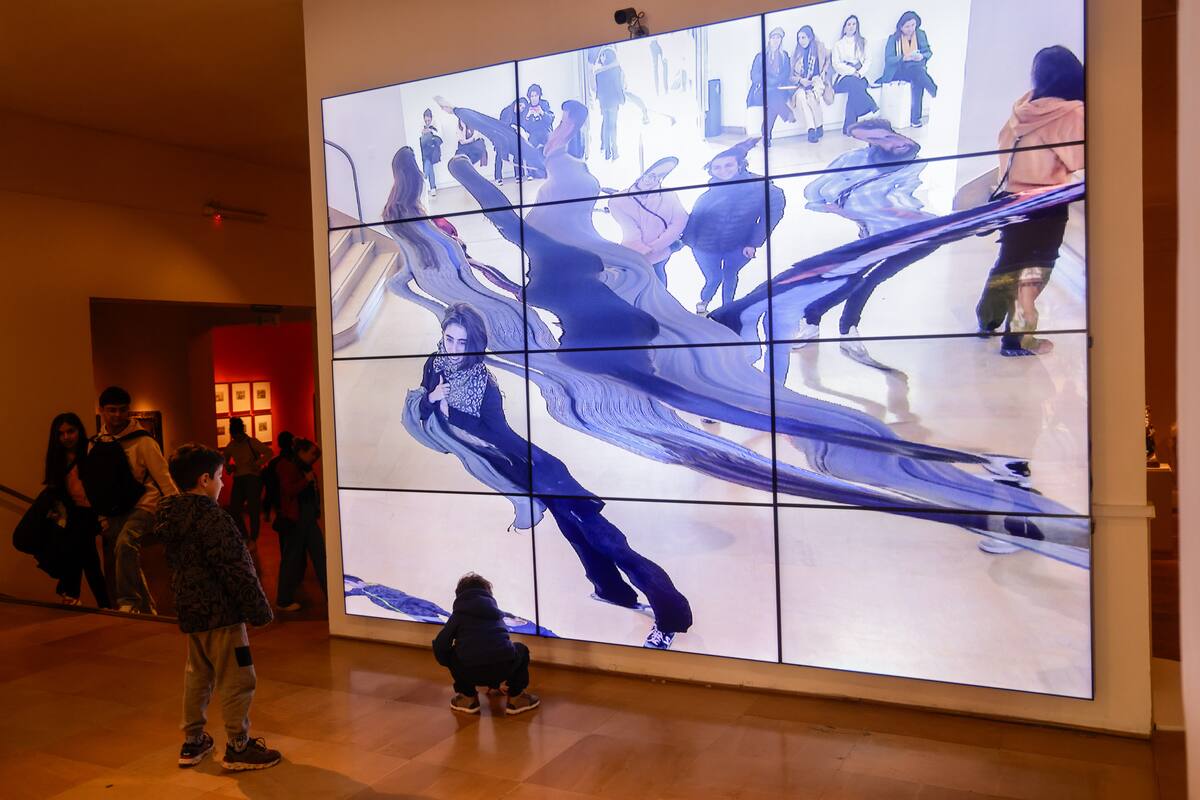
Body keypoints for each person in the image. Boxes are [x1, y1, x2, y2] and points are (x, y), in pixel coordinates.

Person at [409, 304, 692, 649]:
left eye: (462, 343)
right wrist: (434, 401)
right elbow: (424, 403)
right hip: (514, 472)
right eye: (449, 339)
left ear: (475, 345)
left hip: (535, 467)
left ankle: (671, 616)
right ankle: (612, 592)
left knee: (608, 541)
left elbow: (498, 436)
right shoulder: (435, 364)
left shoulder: (483, 384)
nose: (453, 348)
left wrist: (446, 408)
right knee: (574, 533)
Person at [155, 443, 280, 771]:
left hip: (192, 612)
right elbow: (236, 568)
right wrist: (259, 610)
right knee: (238, 677)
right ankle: (238, 745)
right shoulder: (213, 518)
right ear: (204, 479)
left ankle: (193, 740)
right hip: (222, 614)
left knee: (197, 674)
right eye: (221, 477)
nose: (224, 484)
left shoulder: (172, 516)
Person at [784, 118, 937, 373]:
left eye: (882, 137)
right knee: (856, 278)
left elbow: (919, 202)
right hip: (876, 236)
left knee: (868, 279)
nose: (880, 144)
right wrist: (840, 210)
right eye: (870, 141)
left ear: (893, 131)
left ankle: (834, 325)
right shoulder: (854, 160)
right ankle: (829, 325)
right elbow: (813, 193)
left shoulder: (921, 165)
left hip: (921, 236)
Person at [976, 45, 1085, 358]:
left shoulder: (1023, 106)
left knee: (1008, 263)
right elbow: (1078, 159)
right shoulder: (1071, 113)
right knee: (1035, 270)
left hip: (1012, 199)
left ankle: (988, 320)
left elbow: (1002, 146)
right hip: (1046, 203)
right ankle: (1018, 340)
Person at [82, 385, 178, 614]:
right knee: (125, 557)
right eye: (111, 410)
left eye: (122, 410)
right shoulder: (95, 443)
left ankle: (128, 601)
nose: (117, 415)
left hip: (145, 504)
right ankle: (147, 608)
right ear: (102, 411)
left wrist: (179, 509)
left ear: (129, 411)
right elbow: (95, 484)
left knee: (126, 544)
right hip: (116, 508)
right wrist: (102, 515)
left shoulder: (144, 442)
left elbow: (164, 479)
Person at [683, 138, 786, 314]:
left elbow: (770, 217)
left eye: (728, 165)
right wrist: (685, 242)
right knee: (713, 277)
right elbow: (694, 220)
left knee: (730, 275)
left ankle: (727, 308)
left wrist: (753, 243)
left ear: (740, 165)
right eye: (717, 167)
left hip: (739, 245)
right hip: (704, 246)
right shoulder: (708, 193)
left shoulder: (763, 189)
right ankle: (705, 299)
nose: (723, 171)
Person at [432, 572, 540, 715]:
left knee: (453, 654)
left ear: (460, 596)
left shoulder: (458, 616)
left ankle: (468, 697)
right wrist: (494, 680)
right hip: (503, 668)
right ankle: (516, 697)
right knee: (520, 649)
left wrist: (449, 663)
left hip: (468, 671)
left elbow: (440, 645)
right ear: (488, 594)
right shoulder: (496, 614)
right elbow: (493, 647)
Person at [42, 413, 110, 607]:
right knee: (86, 556)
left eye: (70, 431)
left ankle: (70, 593)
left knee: (83, 553)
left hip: (91, 512)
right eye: (61, 433)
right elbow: (56, 489)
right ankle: (99, 602)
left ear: (79, 430)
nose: (66, 437)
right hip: (73, 514)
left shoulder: (90, 451)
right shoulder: (57, 458)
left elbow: (101, 485)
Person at [607, 157, 688, 287]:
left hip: (661, 252)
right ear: (642, 174)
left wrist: (656, 247)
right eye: (651, 175)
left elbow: (679, 221)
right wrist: (645, 252)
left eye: (660, 176)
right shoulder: (618, 201)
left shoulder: (669, 195)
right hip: (636, 255)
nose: (653, 180)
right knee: (636, 287)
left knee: (660, 285)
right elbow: (632, 232)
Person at [274, 438, 328, 612]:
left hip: (306, 517)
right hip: (296, 518)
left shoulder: (301, 466)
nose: (316, 458)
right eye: (313, 454)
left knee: (318, 557)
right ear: (301, 452)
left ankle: (332, 596)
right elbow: (288, 490)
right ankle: (283, 600)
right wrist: (306, 481)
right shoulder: (288, 466)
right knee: (293, 559)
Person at [879, 11, 937, 128]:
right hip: (899, 71)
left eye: (913, 25)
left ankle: (915, 119)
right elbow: (889, 59)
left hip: (915, 68)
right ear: (901, 27)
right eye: (907, 26)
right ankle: (934, 92)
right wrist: (903, 58)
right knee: (919, 74)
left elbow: (928, 52)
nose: (910, 29)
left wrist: (922, 56)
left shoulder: (920, 34)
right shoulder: (894, 39)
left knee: (918, 78)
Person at [222, 417, 273, 547]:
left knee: (253, 509)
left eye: (238, 436)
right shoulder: (232, 445)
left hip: (253, 478)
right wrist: (229, 467)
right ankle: (245, 536)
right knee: (234, 509)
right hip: (239, 478)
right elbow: (224, 459)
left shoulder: (252, 442)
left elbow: (269, 452)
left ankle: (253, 539)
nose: (237, 439)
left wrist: (257, 464)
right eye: (235, 436)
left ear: (242, 432)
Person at [831, 14, 878, 135]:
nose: (851, 27)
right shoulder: (838, 44)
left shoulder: (863, 42)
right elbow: (836, 64)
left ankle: (849, 127)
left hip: (860, 76)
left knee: (855, 88)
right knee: (853, 83)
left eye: (854, 24)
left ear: (857, 27)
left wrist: (859, 73)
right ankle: (870, 104)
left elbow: (868, 61)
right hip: (844, 77)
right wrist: (852, 71)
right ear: (844, 27)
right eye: (849, 24)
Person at [748, 26, 793, 145]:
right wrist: (768, 81)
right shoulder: (760, 56)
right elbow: (754, 76)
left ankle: (766, 134)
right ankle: (786, 112)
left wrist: (776, 81)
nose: (776, 40)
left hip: (778, 90)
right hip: (761, 91)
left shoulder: (784, 56)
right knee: (773, 97)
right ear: (769, 39)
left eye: (778, 38)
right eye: (773, 37)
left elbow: (786, 74)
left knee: (773, 101)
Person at [790, 25, 833, 142]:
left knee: (812, 98)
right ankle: (811, 129)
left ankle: (819, 125)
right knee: (801, 97)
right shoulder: (796, 53)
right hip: (801, 84)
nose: (801, 41)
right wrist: (800, 80)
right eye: (799, 38)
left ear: (810, 37)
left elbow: (829, 58)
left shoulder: (819, 47)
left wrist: (824, 71)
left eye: (803, 37)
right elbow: (791, 76)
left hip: (816, 80)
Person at [594, 47, 627, 161]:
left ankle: (607, 152)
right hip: (613, 101)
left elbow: (598, 89)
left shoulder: (598, 72)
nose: (602, 58)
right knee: (612, 127)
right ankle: (614, 151)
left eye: (603, 55)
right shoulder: (615, 69)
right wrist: (622, 99)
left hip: (604, 102)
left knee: (606, 125)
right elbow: (618, 86)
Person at [260, 430, 294, 522]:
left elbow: (270, 487)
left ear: (279, 444)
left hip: (279, 499)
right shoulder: (297, 461)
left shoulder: (274, 462)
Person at [494, 97, 527, 185]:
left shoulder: (521, 115)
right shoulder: (506, 111)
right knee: (499, 153)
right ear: (515, 103)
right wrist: (512, 127)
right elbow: (501, 126)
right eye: (519, 105)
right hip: (501, 137)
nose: (520, 109)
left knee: (518, 151)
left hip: (513, 139)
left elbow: (522, 127)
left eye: (523, 108)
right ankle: (498, 177)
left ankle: (518, 175)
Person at [522, 84, 555, 155]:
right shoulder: (527, 107)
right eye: (532, 96)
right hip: (534, 134)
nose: (534, 98)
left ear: (539, 96)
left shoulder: (544, 104)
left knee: (551, 146)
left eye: (536, 96)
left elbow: (550, 119)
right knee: (529, 149)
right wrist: (527, 116)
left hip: (545, 131)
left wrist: (542, 113)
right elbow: (524, 127)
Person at [419, 108, 443, 197]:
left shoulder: (437, 123)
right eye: (426, 120)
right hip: (426, 150)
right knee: (429, 164)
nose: (427, 122)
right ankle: (432, 188)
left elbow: (440, 136)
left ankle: (424, 178)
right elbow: (420, 138)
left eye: (429, 120)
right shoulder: (422, 125)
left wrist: (430, 131)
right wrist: (423, 132)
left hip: (433, 148)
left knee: (428, 162)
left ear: (431, 118)